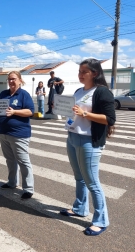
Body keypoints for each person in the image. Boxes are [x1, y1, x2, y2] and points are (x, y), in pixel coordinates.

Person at [60, 58, 116, 236]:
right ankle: (79, 208)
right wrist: (61, 109)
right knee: (79, 178)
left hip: (89, 141)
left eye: (84, 71)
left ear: (95, 73)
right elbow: (72, 111)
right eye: (79, 71)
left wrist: (85, 113)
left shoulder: (102, 92)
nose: (80, 75)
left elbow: (109, 119)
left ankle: (101, 220)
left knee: (92, 182)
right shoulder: (79, 91)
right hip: (72, 136)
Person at [0, 71, 35, 199]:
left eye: (13, 79)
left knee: (23, 161)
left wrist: (14, 112)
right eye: (9, 79)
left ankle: (28, 189)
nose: (11, 81)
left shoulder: (24, 95)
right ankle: (12, 182)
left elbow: (30, 111)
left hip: (19, 133)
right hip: (3, 132)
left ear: (19, 80)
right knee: (10, 160)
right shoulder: (3, 94)